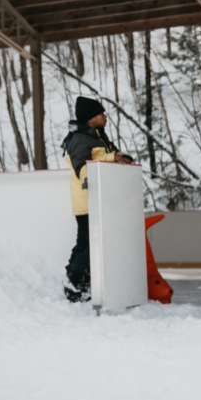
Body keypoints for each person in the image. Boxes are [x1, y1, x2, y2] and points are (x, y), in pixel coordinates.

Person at [61, 97, 133, 303]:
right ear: (92, 118)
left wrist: (121, 156)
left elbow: (109, 155)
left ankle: (75, 283)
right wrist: (111, 158)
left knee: (84, 243)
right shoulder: (79, 140)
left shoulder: (98, 137)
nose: (106, 117)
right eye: (102, 113)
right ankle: (75, 279)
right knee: (94, 244)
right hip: (89, 202)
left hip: (101, 200)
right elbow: (83, 169)